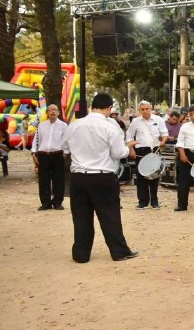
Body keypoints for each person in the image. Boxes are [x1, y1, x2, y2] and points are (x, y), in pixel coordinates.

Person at [61, 93, 138, 263]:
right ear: (109, 108)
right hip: (102, 177)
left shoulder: (74, 125)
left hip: (78, 177)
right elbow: (118, 153)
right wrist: (128, 147)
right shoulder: (110, 127)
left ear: (92, 106)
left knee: (81, 217)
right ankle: (119, 251)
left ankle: (81, 254)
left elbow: (65, 149)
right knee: (110, 216)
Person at [126, 100, 169, 210]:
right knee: (141, 177)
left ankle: (154, 202)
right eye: (142, 109)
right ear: (139, 110)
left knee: (154, 176)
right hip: (141, 151)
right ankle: (142, 202)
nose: (145, 111)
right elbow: (129, 137)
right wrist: (131, 150)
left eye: (147, 109)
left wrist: (163, 141)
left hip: (154, 149)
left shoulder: (158, 120)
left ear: (150, 109)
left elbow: (165, 134)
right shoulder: (135, 122)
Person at [31, 104, 68, 211]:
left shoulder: (63, 126)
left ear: (58, 112)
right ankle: (45, 203)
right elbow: (36, 140)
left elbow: (66, 140)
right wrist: (33, 153)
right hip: (43, 155)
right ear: (47, 113)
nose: (52, 112)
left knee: (58, 180)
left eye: (55, 110)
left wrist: (66, 153)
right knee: (43, 180)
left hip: (58, 155)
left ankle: (57, 202)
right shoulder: (41, 126)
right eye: (50, 110)